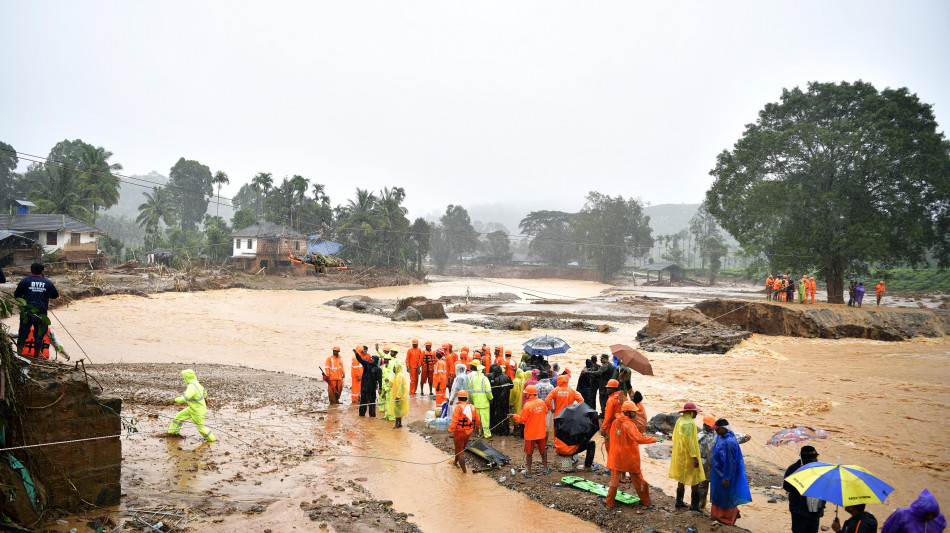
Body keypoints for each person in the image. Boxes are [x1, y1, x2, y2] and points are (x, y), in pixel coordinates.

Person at [605, 401, 657, 507]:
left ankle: (609, 502)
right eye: (634, 412)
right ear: (627, 412)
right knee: (638, 479)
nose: (636, 414)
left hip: (616, 455)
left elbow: (612, 437)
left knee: (614, 481)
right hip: (629, 456)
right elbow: (638, 438)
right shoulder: (628, 424)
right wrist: (654, 439)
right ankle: (645, 501)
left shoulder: (616, 422)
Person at [709, 418, 751, 525]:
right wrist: (712, 461)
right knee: (718, 494)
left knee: (726, 496)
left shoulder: (729, 442)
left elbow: (730, 461)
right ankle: (717, 515)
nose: (716, 431)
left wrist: (726, 478)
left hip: (725, 474)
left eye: (717, 429)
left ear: (724, 428)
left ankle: (726, 518)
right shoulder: (721, 437)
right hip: (718, 472)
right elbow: (715, 451)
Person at [14, 262, 59, 357]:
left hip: (26, 312)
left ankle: (19, 355)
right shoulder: (48, 282)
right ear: (42, 271)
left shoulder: (24, 281)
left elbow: (16, 295)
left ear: (31, 270)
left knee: (22, 334)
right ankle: (36, 358)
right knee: (39, 336)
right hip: (41, 313)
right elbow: (55, 295)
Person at [669, 402, 706, 510]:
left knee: (681, 478)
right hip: (689, 456)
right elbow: (690, 441)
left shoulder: (680, 420)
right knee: (695, 479)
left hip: (681, 455)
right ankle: (694, 506)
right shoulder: (689, 423)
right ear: (690, 412)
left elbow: (675, 437)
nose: (696, 414)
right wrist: (694, 456)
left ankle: (679, 502)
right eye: (695, 412)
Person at [784, 445, 826, 533]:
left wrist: (822, 506)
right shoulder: (793, 469)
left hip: (814, 511)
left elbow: (823, 489)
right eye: (814, 458)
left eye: (816, 458)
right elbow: (786, 487)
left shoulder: (819, 470)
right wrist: (801, 476)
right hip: (799, 511)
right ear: (806, 459)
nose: (816, 460)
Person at [167, 369, 216, 442]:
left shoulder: (192, 386)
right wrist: (205, 398)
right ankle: (172, 433)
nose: (183, 379)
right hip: (192, 408)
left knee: (201, 428)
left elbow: (187, 396)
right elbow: (204, 391)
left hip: (197, 410)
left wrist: (175, 400)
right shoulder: (196, 383)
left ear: (187, 377)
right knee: (179, 416)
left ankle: (212, 440)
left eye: (184, 377)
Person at [513, 385, 550, 478]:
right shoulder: (541, 402)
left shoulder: (527, 405)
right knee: (543, 450)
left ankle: (529, 472)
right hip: (541, 432)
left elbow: (522, 419)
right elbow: (545, 411)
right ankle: (545, 469)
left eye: (526, 394)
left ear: (529, 394)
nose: (525, 395)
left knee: (529, 453)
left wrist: (513, 415)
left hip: (530, 434)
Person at [881, 488, 945, 533]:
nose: (930, 517)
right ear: (921, 510)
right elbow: (889, 530)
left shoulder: (939, 518)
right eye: (927, 514)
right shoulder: (902, 514)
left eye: (933, 515)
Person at [448, 390, 481, 473]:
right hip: (468, 432)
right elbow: (477, 420)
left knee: (460, 451)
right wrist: (477, 429)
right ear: (466, 398)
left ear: (458, 398)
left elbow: (454, 421)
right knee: (460, 448)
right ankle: (455, 462)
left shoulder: (458, 408)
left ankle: (464, 473)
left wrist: (449, 432)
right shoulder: (472, 407)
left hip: (459, 432)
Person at [696, 415, 717, 511]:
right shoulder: (700, 436)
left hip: (714, 464)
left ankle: (716, 508)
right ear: (705, 425)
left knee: (716, 485)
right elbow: (694, 450)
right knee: (702, 485)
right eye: (709, 425)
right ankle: (701, 505)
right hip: (703, 463)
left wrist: (744, 437)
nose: (711, 427)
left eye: (712, 425)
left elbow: (732, 437)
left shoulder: (718, 435)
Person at [468, 362, 493, 437]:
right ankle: (486, 434)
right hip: (484, 403)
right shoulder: (485, 379)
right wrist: (491, 398)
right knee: (485, 419)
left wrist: (474, 399)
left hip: (476, 402)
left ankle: (478, 433)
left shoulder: (473, 379)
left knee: (477, 420)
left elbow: (471, 391)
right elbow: (488, 390)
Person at [600, 380, 626, 450]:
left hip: (611, 427)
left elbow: (608, 416)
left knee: (610, 448)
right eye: (607, 388)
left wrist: (603, 428)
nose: (607, 389)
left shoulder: (611, 400)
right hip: (621, 427)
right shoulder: (623, 398)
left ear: (614, 389)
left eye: (609, 388)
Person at [355, 350, 382, 417]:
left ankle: (372, 415)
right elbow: (360, 360)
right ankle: (361, 414)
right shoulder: (367, 364)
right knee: (363, 402)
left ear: (375, 360)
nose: (371, 359)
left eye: (372, 358)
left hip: (372, 389)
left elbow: (380, 380)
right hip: (364, 387)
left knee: (372, 403)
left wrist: (380, 388)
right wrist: (356, 354)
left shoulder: (378, 369)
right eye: (371, 358)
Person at [488, 363, 512, 436]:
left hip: (498, 401)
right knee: (506, 415)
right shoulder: (507, 377)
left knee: (498, 416)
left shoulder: (495, 379)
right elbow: (512, 386)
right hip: (506, 400)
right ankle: (506, 430)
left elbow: (493, 391)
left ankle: (499, 431)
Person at [391, 361, 409, 429]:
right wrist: (389, 382)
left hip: (400, 397)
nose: (393, 369)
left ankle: (397, 424)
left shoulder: (399, 376)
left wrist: (398, 396)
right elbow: (395, 384)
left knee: (397, 411)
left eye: (394, 368)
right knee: (399, 411)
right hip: (401, 396)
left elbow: (401, 387)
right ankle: (400, 424)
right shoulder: (398, 375)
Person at [509, 368, 526, 437]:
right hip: (523, 400)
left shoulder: (515, 381)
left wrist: (511, 402)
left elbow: (513, 392)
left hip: (516, 400)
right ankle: (521, 431)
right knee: (521, 414)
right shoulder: (524, 380)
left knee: (515, 414)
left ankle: (515, 431)